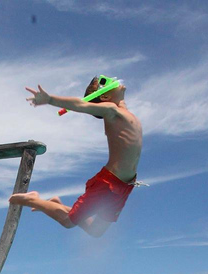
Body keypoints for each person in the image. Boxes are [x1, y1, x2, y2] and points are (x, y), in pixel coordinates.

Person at [10, 76, 142, 237]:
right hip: (109, 182)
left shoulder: (124, 111)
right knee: (68, 221)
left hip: (125, 185)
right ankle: (33, 199)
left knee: (96, 230)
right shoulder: (112, 110)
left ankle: (56, 204)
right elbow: (80, 104)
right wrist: (49, 99)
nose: (111, 79)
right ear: (105, 97)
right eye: (103, 81)